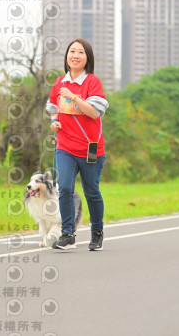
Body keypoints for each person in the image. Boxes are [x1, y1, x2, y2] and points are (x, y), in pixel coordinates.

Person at [46, 38, 109, 251]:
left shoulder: (92, 82)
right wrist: (54, 121)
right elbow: (53, 107)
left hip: (90, 148)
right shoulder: (59, 83)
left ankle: (97, 232)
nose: (75, 55)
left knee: (91, 191)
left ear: (87, 58)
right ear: (67, 56)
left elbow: (94, 112)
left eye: (80, 52)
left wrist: (74, 97)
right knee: (64, 188)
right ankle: (68, 234)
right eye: (72, 51)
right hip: (65, 147)